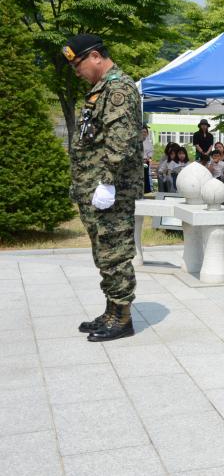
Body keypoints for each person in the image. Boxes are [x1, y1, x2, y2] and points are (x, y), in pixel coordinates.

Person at [63, 33, 143, 342]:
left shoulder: (119, 88)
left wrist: (107, 183)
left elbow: (120, 141)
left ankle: (122, 318)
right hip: (95, 189)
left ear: (96, 56)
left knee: (114, 253)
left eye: (78, 65)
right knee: (104, 253)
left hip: (112, 191)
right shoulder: (101, 89)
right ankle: (111, 311)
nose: (77, 72)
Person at [142, 125, 153, 193]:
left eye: (145, 132)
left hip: (145, 162)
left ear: (147, 133)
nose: (143, 133)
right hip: (137, 162)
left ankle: (146, 190)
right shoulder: (137, 141)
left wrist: (147, 159)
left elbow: (150, 153)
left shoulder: (149, 143)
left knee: (145, 175)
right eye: (142, 132)